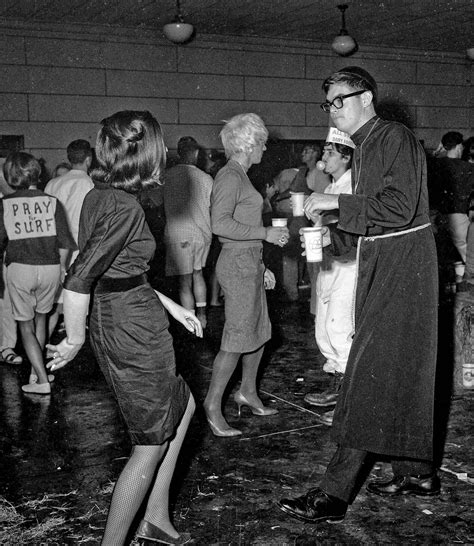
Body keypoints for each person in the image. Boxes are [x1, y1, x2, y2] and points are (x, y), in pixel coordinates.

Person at [278, 66, 439, 523]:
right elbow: (375, 222)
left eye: (339, 101)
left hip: (405, 265)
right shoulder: (364, 147)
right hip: (389, 259)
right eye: (327, 104)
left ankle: (333, 494)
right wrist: (333, 240)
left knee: (367, 373)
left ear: (366, 97)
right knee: (402, 368)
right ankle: (416, 473)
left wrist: (333, 203)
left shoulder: (393, 137)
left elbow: (400, 206)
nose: (333, 110)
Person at [46, 111, 202, 545]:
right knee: (150, 444)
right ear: (147, 153)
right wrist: (74, 339)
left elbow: (121, 271)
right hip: (127, 326)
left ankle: (156, 519)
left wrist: (170, 305)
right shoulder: (124, 206)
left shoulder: (102, 195)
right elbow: (80, 277)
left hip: (131, 309)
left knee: (182, 406)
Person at [203, 113, 289, 437]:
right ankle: (212, 405)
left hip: (250, 261)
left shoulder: (241, 175)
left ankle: (248, 392)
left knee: (259, 330)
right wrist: (264, 233)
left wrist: (262, 264)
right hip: (237, 264)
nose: (264, 150)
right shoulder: (229, 177)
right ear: (248, 144)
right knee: (237, 337)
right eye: (262, 143)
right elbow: (219, 224)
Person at [0, 152, 76, 394]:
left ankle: (42, 380)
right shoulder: (52, 202)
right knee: (41, 319)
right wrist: (62, 268)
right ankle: (36, 372)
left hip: (20, 268)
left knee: (25, 326)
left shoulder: (6, 204)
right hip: (51, 268)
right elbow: (65, 243)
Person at [303, 128, 356, 427]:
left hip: (347, 269)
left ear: (346, 157)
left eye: (330, 152)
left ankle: (350, 404)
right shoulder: (332, 186)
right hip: (328, 268)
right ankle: (338, 388)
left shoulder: (351, 188)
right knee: (324, 329)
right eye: (323, 151)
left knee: (340, 329)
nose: (324, 156)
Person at [45, 139, 94, 338]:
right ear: (89, 160)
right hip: (79, 252)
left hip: (53, 251)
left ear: (69, 158)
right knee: (77, 312)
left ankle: (42, 354)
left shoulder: (52, 183)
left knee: (52, 307)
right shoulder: (90, 184)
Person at [163, 137, 213, 328]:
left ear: (179, 153)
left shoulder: (168, 176)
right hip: (203, 234)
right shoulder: (206, 178)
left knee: (184, 281)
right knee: (198, 274)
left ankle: (190, 323)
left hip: (179, 234)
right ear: (196, 153)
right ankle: (202, 315)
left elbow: (155, 201)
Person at [434, 132, 472, 275]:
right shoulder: (467, 168)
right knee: (467, 251)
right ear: (458, 147)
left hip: (436, 215)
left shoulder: (435, 165)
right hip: (458, 215)